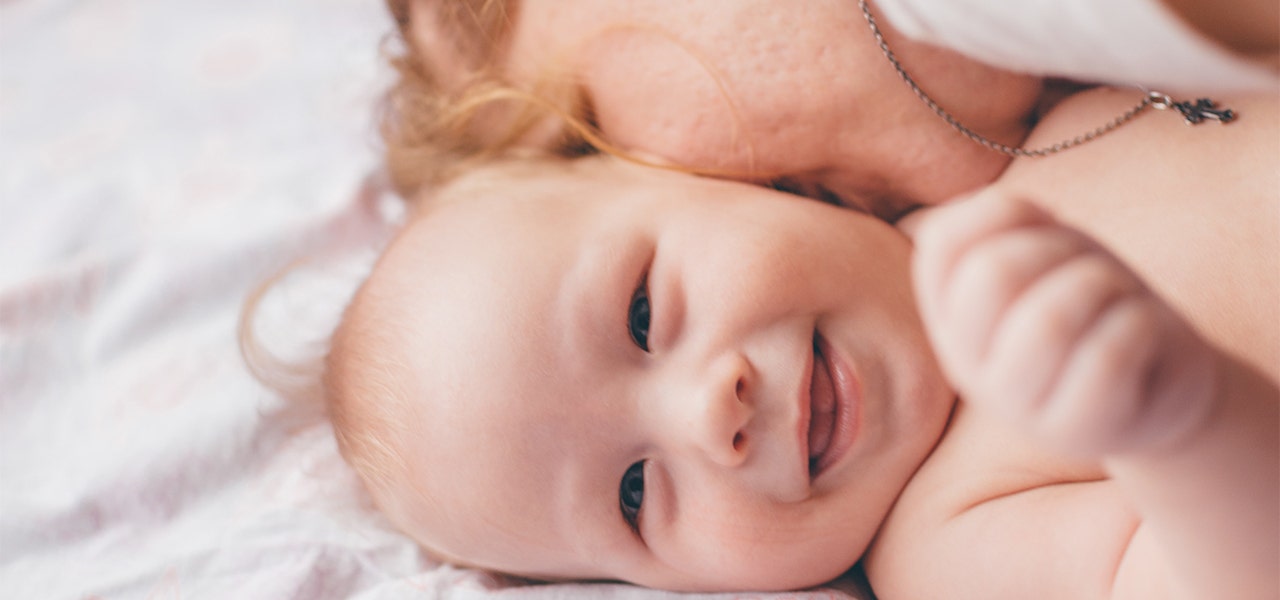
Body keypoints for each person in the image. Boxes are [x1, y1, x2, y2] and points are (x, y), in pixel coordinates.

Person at [321, 152, 1277, 597]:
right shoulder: (949, 540)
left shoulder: (1001, 142)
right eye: (633, 493)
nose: (710, 417)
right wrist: (1175, 422)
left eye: (643, 314)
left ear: (706, 174)